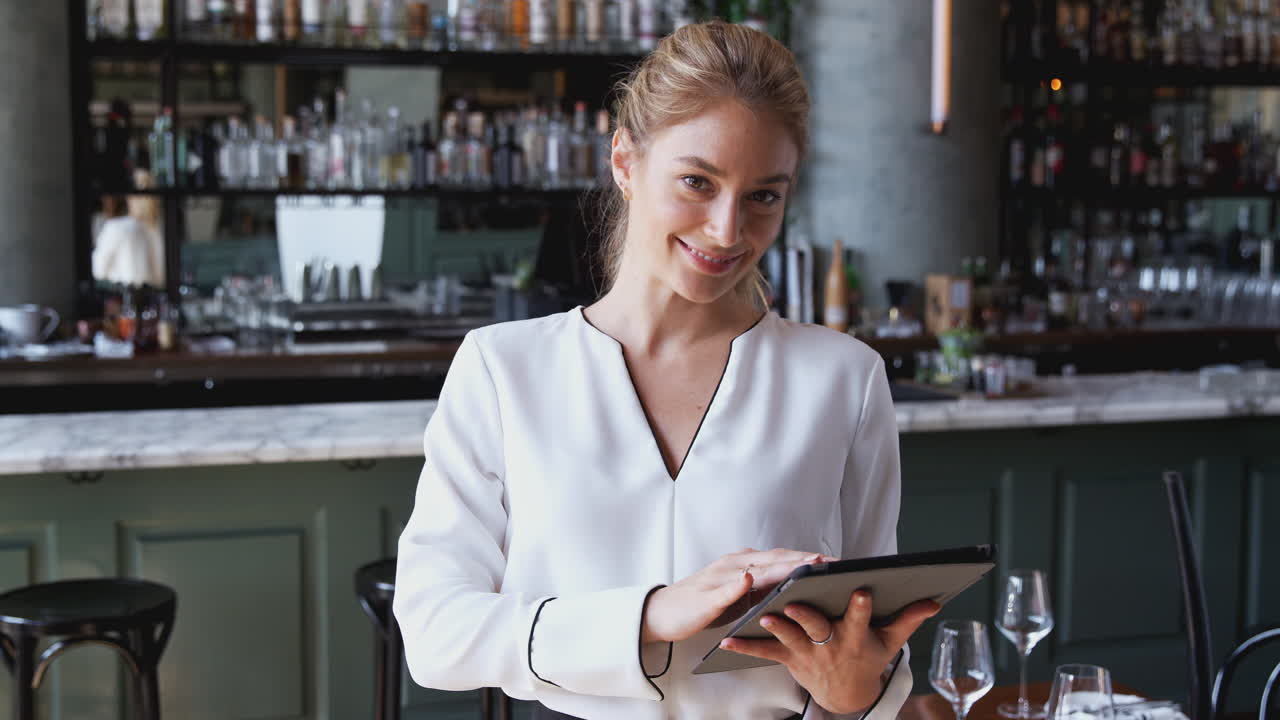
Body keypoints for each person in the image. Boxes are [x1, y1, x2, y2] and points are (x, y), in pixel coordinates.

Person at [393, 20, 938, 720]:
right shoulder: (503, 371)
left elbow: (874, 639)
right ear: (625, 161)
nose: (726, 229)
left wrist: (854, 694)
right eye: (696, 181)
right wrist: (651, 614)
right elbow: (437, 633)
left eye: (764, 196)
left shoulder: (845, 379)